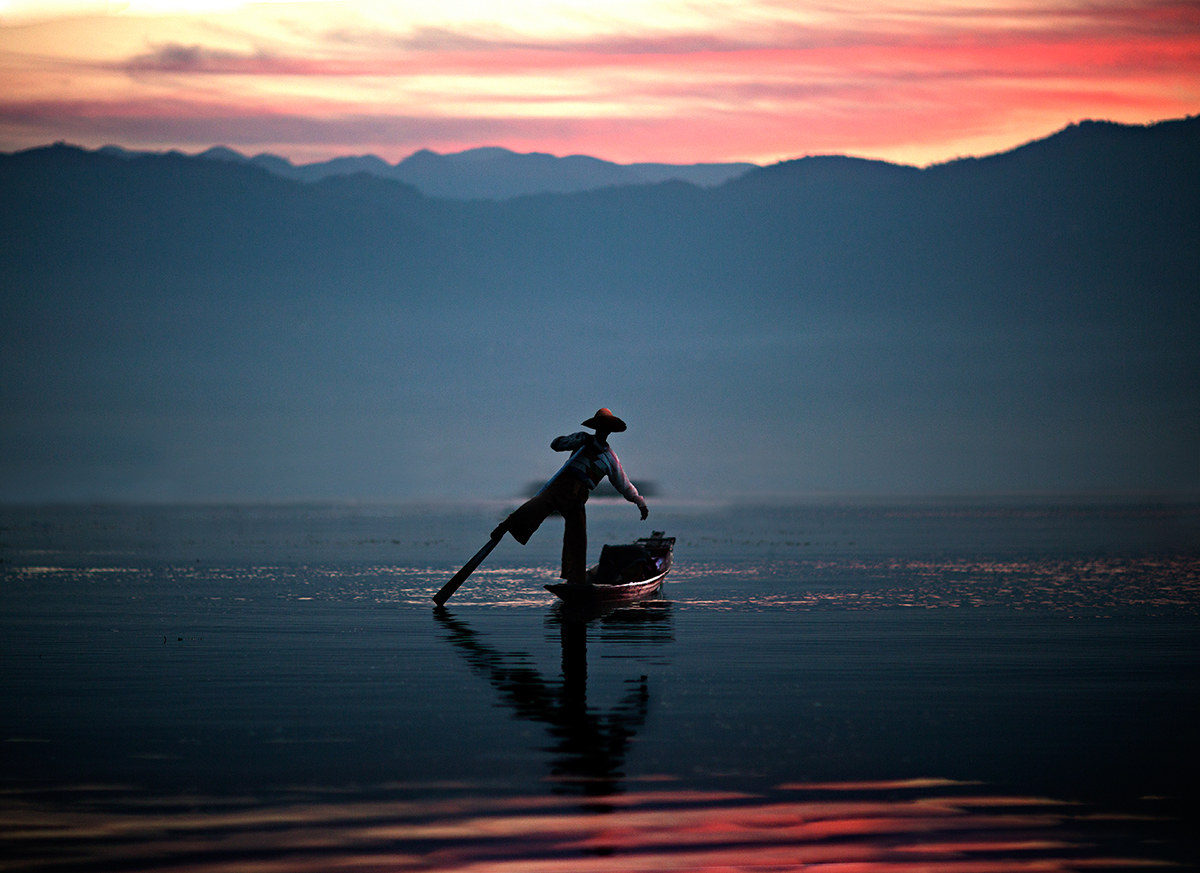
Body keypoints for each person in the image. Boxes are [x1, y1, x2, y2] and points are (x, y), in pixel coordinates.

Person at [491, 408, 649, 584]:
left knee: (577, 536)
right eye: (600, 426)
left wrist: (639, 502)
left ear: (610, 431)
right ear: (595, 427)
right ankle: (503, 528)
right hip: (559, 485)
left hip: (577, 494)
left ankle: (575, 579)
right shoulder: (582, 439)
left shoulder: (610, 458)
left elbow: (624, 484)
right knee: (532, 508)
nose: (602, 430)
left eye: (606, 427)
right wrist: (578, 441)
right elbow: (556, 444)